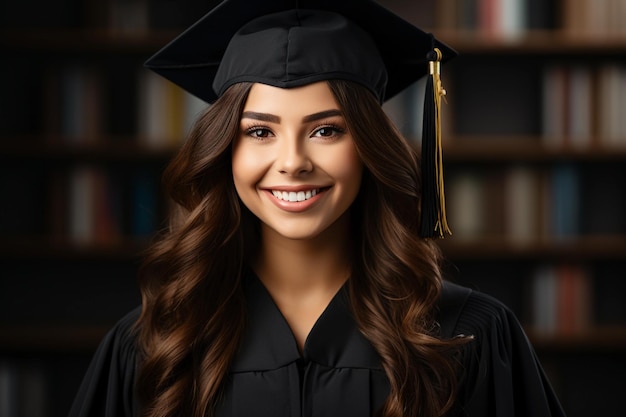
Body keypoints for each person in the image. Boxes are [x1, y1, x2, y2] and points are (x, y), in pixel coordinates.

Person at [69, 1, 566, 416]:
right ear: (225, 151)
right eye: (259, 132)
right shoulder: (156, 344)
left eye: (327, 130)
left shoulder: (467, 333)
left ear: (370, 147)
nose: (292, 162)